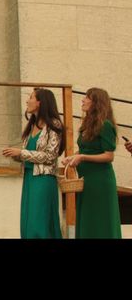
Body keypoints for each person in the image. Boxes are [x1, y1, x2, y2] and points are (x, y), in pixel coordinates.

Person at [2, 88, 64, 239]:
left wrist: (21, 153)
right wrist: (15, 154)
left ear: (40, 102)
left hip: (44, 180)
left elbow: (50, 156)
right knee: (28, 221)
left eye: (31, 98)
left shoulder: (54, 125)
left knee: (40, 222)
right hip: (29, 178)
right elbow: (29, 154)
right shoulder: (31, 126)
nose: (27, 101)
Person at [62, 88, 122, 238]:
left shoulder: (106, 125)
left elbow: (109, 156)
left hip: (100, 180)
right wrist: (73, 157)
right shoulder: (87, 124)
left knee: (100, 220)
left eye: (87, 97)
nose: (82, 100)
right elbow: (86, 149)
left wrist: (82, 157)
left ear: (96, 103)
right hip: (86, 179)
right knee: (87, 218)